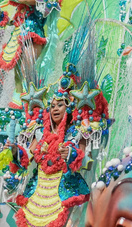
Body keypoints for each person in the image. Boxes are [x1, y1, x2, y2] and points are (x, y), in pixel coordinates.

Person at [9, 91, 90, 227]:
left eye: (60, 105)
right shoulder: (40, 132)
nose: (55, 109)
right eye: (52, 106)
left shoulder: (76, 133)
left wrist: (70, 154)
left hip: (64, 191)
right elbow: (28, 157)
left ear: (68, 108)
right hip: (38, 190)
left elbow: (85, 160)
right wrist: (15, 150)